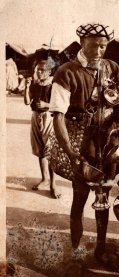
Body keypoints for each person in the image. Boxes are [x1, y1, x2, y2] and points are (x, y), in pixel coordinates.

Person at [49, 23, 119, 272]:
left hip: (108, 143)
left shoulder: (112, 68)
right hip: (81, 144)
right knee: (79, 201)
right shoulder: (66, 72)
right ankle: (76, 255)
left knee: (103, 199)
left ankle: (100, 250)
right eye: (94, 44)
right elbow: (57, 117)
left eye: (103, 44)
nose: (99, 49)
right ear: (82, 42)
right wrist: (71, 153)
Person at [24, 59, 61, 199]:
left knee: (49, 151)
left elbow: (58, 104)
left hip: (48, 118)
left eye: (42, 70)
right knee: (40, 150)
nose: (39, 72)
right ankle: (45, 179)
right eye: (37, 69)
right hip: (35, 117)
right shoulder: (35, 85)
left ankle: (53, 185)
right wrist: (27, 87)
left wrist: (46, 104)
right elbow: (27, 102)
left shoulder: (53, 86)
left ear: (49, 72)